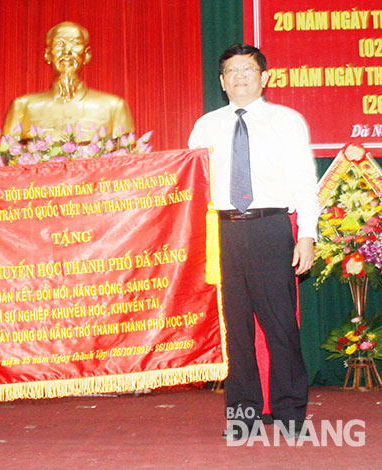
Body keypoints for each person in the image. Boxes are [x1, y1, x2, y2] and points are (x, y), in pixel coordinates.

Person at [188, 44, 319, 441]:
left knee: (281, 326)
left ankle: (290, 413)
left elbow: (303, 182)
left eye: (248, 69)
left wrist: (308, 235)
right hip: (221, 232)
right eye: (231, 70)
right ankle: (242, 417)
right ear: (222, 81)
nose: (240, 75)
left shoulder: (287, 121)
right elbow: (190, 185)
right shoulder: (205, 125)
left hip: (270, 227)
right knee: (235, 328)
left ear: (265, 77)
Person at [2, 21, 134, 140]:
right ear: (48, 55)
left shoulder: (113, 107)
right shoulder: (23, 106)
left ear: (87, 55)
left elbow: (124, 160)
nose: (67, 51)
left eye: (75, 44)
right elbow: (9, 158)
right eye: (59, 44)